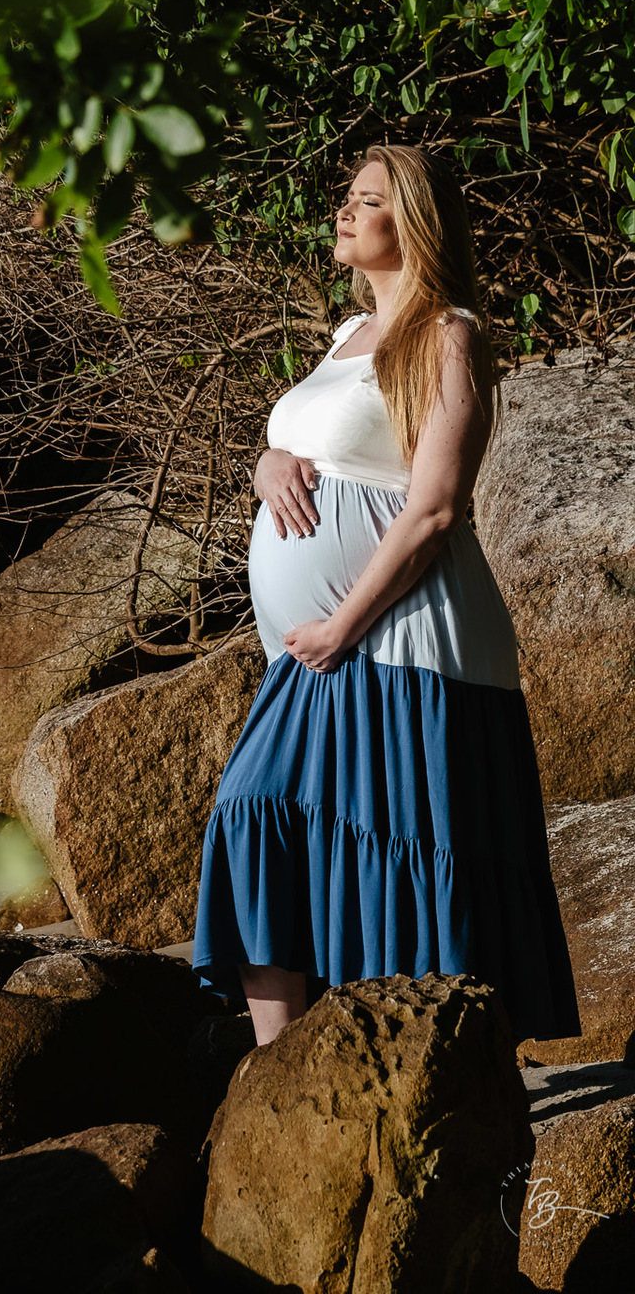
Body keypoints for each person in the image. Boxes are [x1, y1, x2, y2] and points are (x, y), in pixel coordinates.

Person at [192, 143, 581, 1049]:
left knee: (342, 843)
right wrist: (267, 460)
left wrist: (342, 623)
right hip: (325, 644)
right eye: (348, 197)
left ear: (412, 223)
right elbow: (323, 450)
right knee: (261, 823)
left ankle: (431, 1075)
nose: (343, 212)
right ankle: (283, 1086)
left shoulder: (449, 335)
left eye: (366, 201)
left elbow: (436, 506)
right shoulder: (344, 338)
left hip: (399, 641)